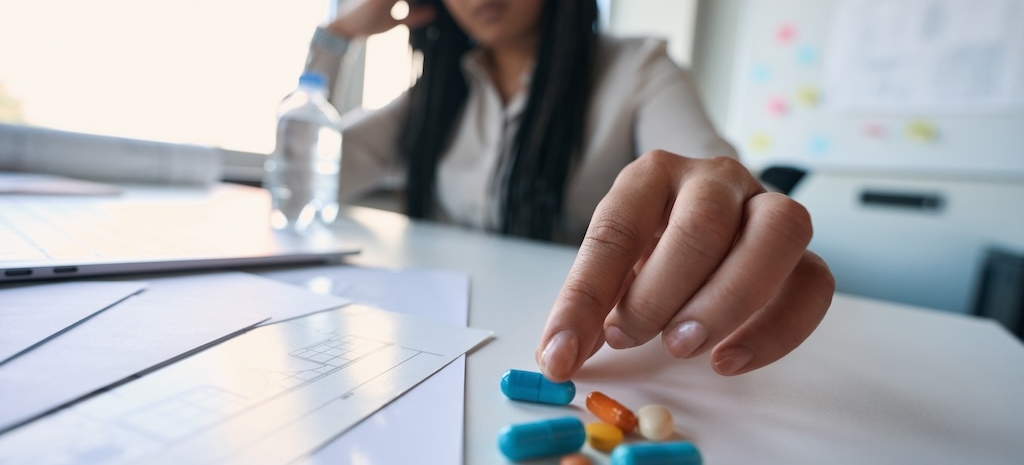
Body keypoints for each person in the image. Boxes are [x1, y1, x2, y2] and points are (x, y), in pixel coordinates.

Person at [303, 0, 835, 383]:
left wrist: (727, 198)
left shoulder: (640, 68)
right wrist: (338, 36)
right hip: (440, 343)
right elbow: (305, 164)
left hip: (588, 350)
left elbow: (711, 175)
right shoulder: (430, 99)